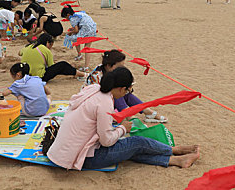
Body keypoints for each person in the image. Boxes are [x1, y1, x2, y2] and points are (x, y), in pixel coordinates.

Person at [47, 68, 200, 170]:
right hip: (82, 157)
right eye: (128, 90)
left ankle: (176, 160)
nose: (128, 93)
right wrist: (122, 129)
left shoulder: (93, 89)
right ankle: (173, 150)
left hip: (63, 152)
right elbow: (106, 140)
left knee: (130, 148)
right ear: (121, 89)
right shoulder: (105, 102)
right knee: (137, 142)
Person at [84, 50, 167, 123]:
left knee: (126, 94)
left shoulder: (111, 72)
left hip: (106, 99)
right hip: (93, 102)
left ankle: (147, 111)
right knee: (117, 92)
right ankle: (128, 115)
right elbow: (98, 94)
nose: (122, 68)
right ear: (109, 65)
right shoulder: (97, 75)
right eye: (120, 66)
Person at [19, 33, 85, 82]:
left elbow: (19, 53)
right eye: (51, 45)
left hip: (26, 75)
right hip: (39, 77)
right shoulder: (46, 50)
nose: (50, 47)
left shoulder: (28, 47)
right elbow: (51, 66)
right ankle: (82, 74)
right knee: (63, 65)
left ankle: (75, 72)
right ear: (48, 43)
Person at [61, 5, 97, 71]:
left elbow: (76, 30)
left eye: (66, 17)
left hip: (87, 30)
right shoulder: (79, 13)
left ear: (68, 15)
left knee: (74, 38)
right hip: (93, 29)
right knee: (87, 47)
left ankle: (79, 55)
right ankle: (86, 66)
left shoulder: (72, 18)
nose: (66, 19)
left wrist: (69, 33)